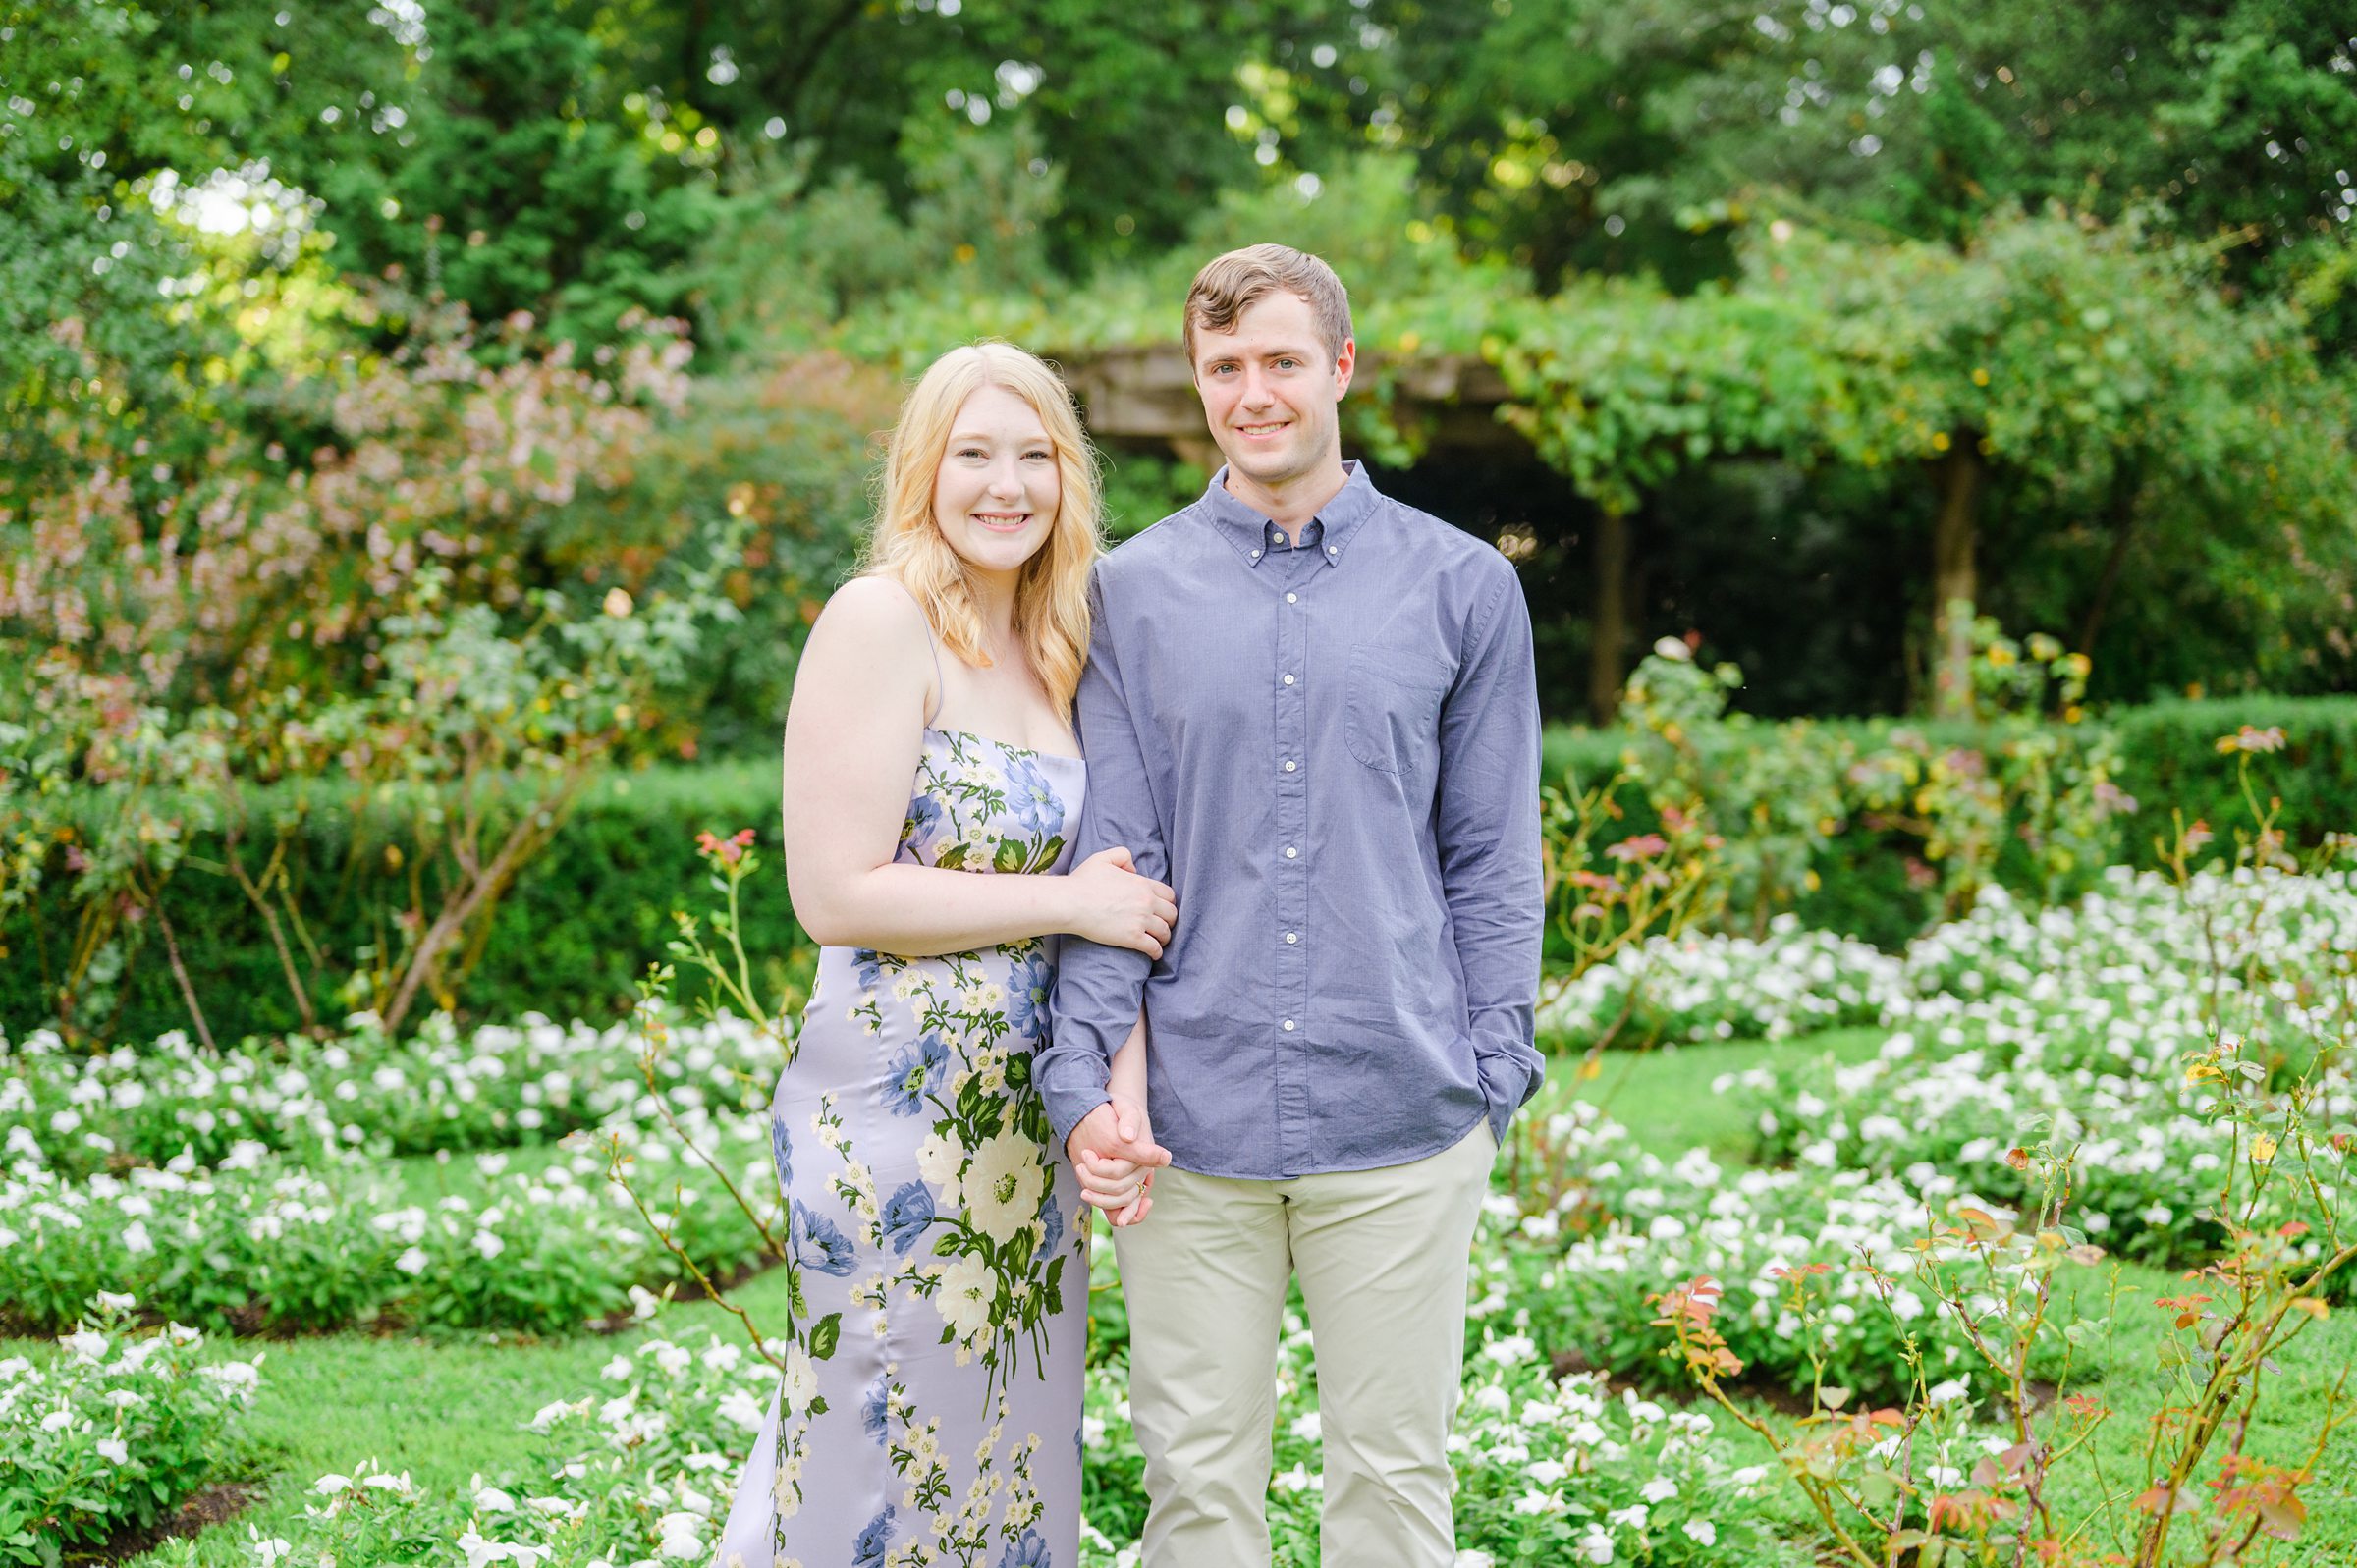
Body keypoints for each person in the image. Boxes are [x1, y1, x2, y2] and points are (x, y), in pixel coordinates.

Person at [1037, 244, 1546, 1568]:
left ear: (1340, 368)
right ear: (1198, 382)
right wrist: (1086, 1080)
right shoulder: (1127, 594)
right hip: (1191, 1131)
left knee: (1393, 1486)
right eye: (1223, 368)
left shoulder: (1465, 588)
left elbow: (1492, 853)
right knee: (1197, 1488)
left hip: (1404, 1116)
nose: (1251, 392)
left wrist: (1495, 1064)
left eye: (1278, 360)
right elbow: (1117, 861)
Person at [713, 342, 1176, 1568]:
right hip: (894, 1113)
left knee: (1012, 1442)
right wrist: (1063, 902)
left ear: (1070, 477)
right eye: (974, 453)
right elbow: (835, 892)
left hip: (1031, 1125)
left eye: (1035, 455)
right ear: (924, 469)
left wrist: (1116, 1104)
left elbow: (1119, 901)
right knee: (873, 1434)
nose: (1005, 484)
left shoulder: (1062, 642)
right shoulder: (881, 621)